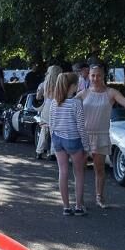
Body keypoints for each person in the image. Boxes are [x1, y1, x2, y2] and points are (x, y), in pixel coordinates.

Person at [78, 63, 125, 208]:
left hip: (101, 135)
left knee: (100, 168)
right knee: (80, 169)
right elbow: (69, 109)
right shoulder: (83, 93)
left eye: (98, 75)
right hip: (83, 135)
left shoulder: (111, 93)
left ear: (104, 76)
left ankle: (99, 198)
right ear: (88, 76)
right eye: (92, 75)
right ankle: (80, 200)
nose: (95, 78)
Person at [49, 72, 90, 216]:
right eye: (77, 84)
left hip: (57, 139)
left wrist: (53, 142)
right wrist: (86, 146)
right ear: (72, 86)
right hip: (73, 140)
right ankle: (78, 206)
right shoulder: (76, 103)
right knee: (78, 174)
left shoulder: (54, 102)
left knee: (63, 172)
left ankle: (66, 207)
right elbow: (81, 127)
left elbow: (51, 124)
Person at [35, 65, 63, 159]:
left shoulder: (43, 84)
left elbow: (38, 97)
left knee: (44, 130)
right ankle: (52, 153)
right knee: (54, 131)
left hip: (46, 107)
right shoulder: (61, 84)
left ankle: (39, 151)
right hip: (57, 107)